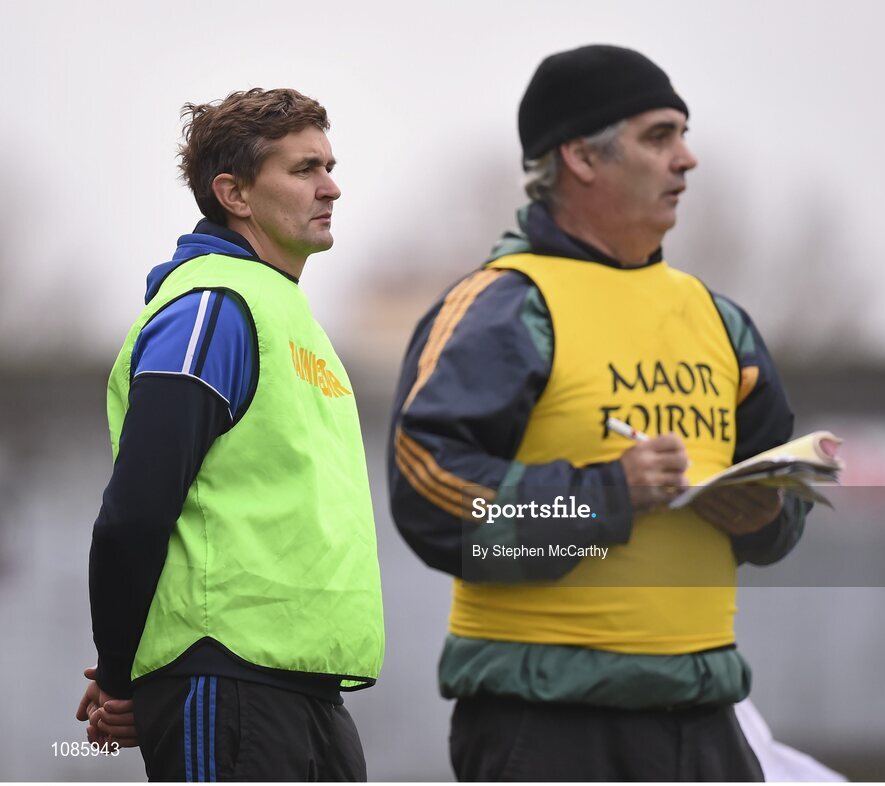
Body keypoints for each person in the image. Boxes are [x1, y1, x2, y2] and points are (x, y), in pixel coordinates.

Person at [387, 45, 810, 781]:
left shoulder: (721, 320)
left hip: (705, 724)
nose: (687, 159)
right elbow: (432, 505)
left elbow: (785, 506)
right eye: (659, 136)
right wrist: (606, 497)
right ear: (580, 157)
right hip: (550, 726)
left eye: (684, 134)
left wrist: (765, 517)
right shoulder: (504, 306)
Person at [77, 88, 384, 781]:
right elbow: (134, 514)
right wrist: (123, 676)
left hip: (307, 690)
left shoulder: (288, 314)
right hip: (228, 684)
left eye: (330, 165)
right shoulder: (212, 309)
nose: (332, 186)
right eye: (304, 169)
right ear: (235, 194)